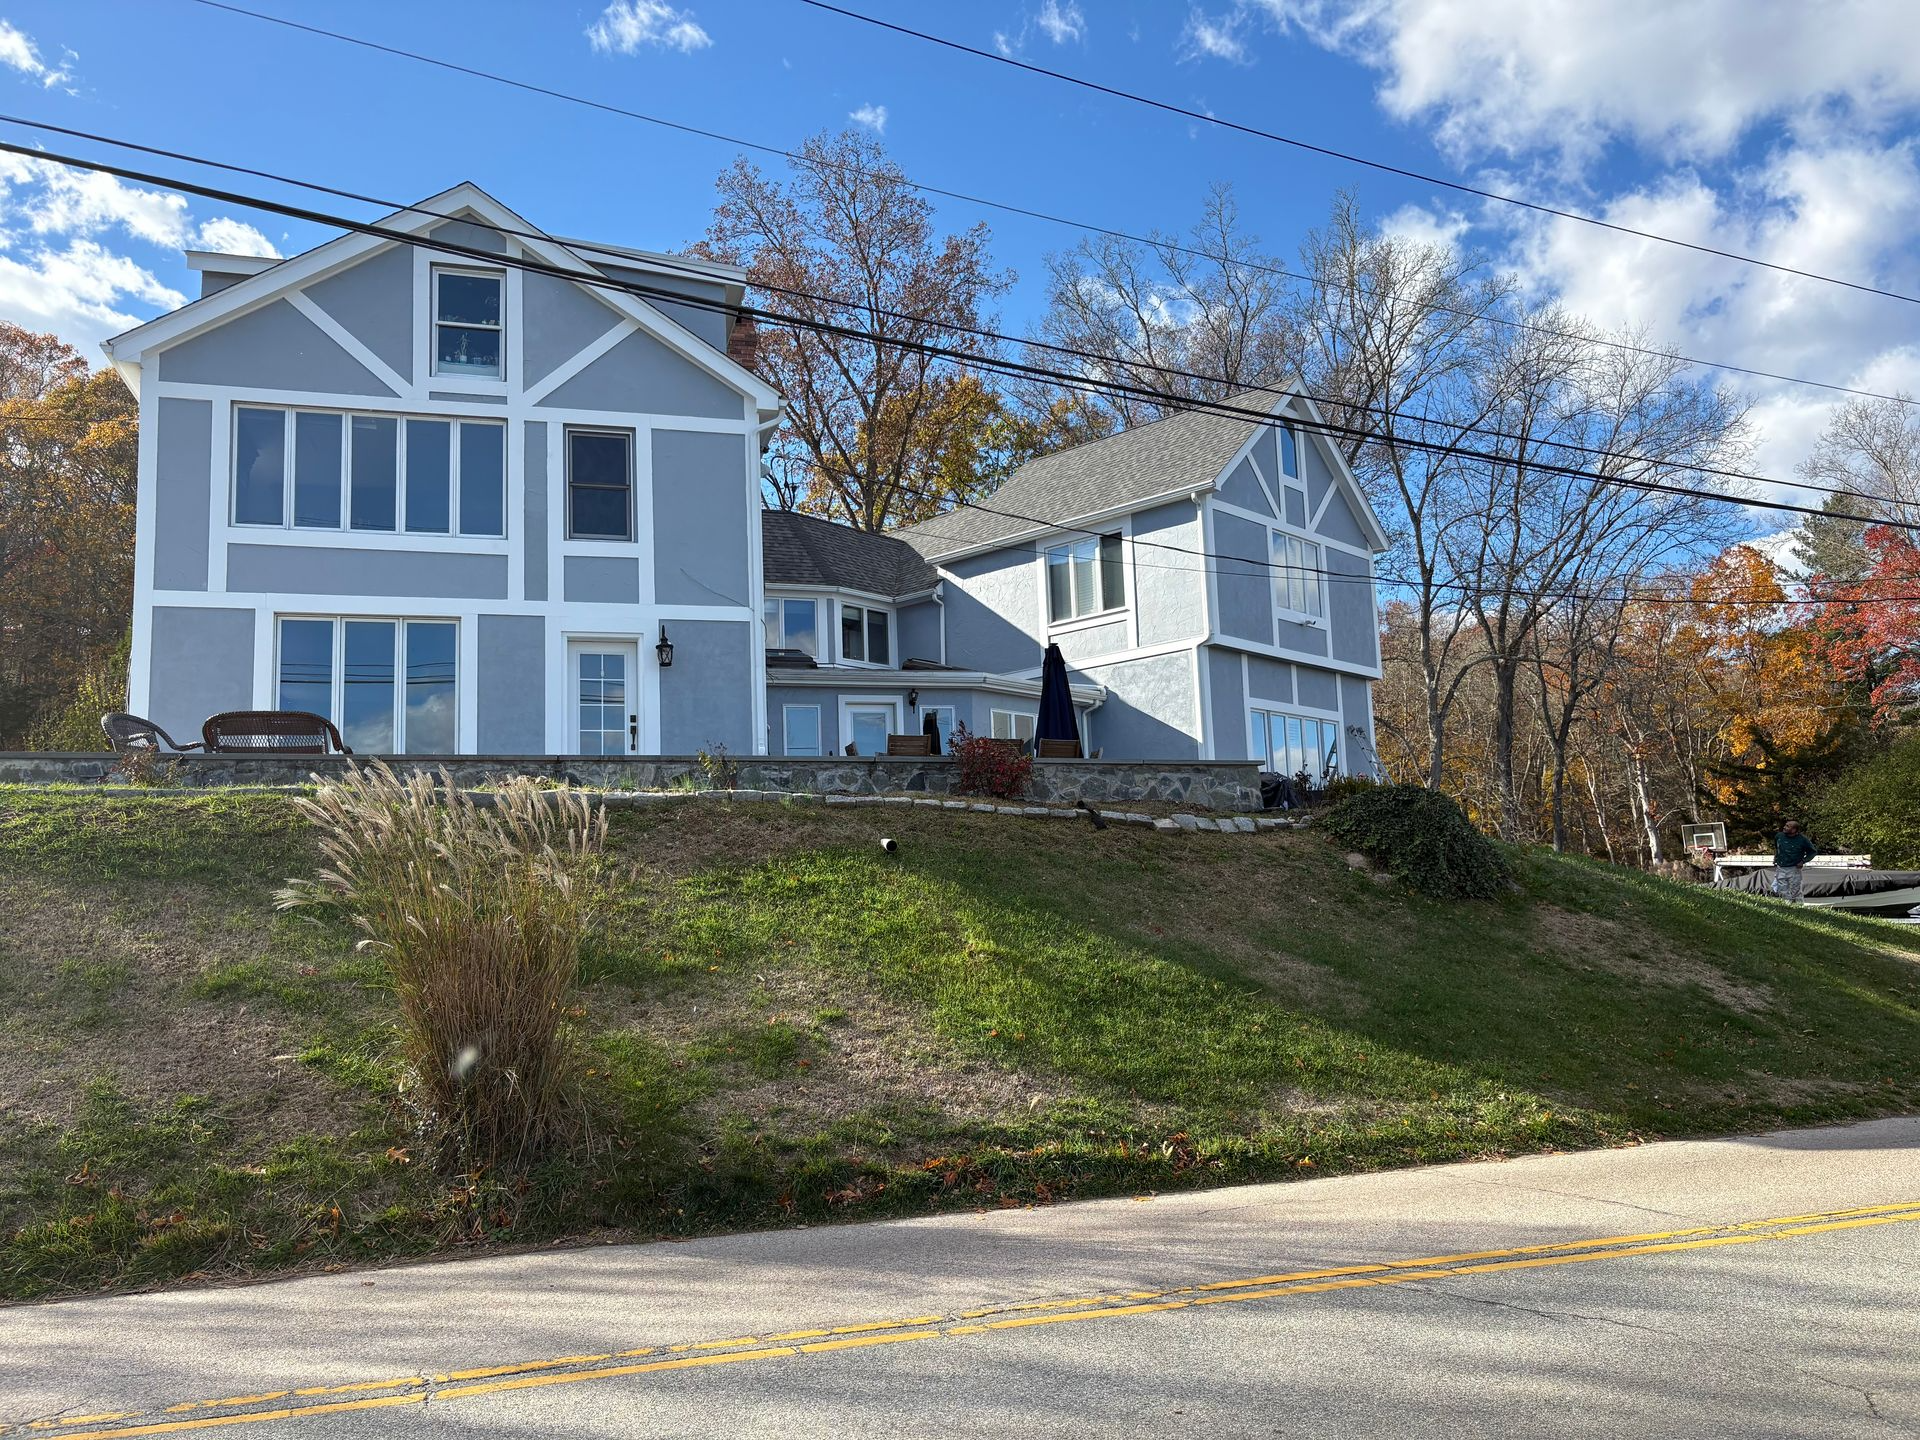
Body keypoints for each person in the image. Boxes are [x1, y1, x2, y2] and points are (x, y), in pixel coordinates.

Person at [1771, 819, 1818, 903]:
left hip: (1794, 867)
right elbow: (1777, 847)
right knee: (1782, 888)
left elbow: (1812, 852)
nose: (1784, 827)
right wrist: (1776, 857)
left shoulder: (1802, 839)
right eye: (1785, 825)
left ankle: (1799, 906)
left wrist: (1803, 861)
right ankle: (1787, 905)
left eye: (1787, 826)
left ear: (1794, 830)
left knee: (1795, 889)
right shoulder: (1779, 836)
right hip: (1780, 867)